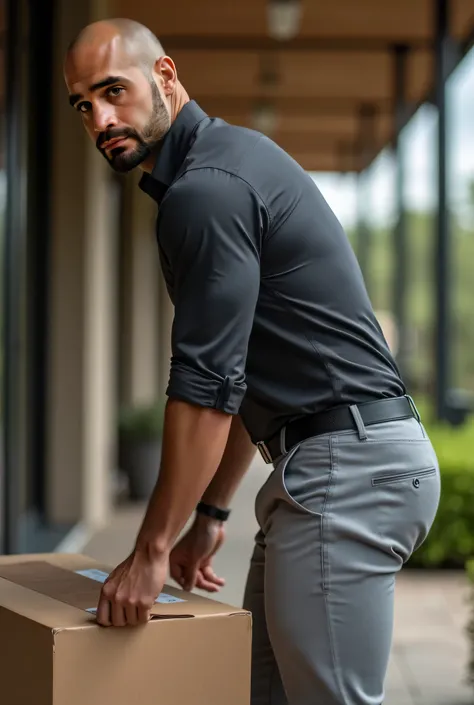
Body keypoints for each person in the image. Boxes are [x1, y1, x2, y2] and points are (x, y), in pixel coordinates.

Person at [64, 19, 441, 705]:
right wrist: (210, 510)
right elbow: (240, 377)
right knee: (267, 693)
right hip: (331, 462)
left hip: (348, 471)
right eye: (84, 104)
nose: (101, 118)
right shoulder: (225, 165)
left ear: (166, 77)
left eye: (114, 91)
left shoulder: (207, 192)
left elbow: (206, 389)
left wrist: (150, 550)